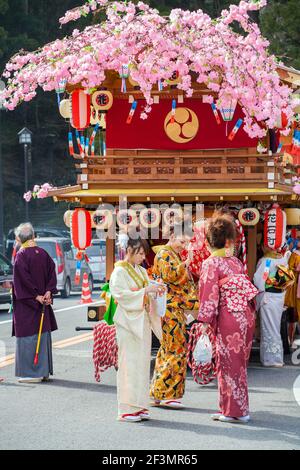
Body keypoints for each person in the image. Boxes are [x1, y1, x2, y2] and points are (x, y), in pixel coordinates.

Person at [198, 214, 257, 424]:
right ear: (227, 239)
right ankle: (234, 408)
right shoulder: (235, 262)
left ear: (208, 241)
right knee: (238, 365)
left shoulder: (211, 263)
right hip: (245, 316)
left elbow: (209, 293)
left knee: (227, 365)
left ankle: (234, 412)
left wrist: (204, 321)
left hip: (228, 316)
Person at [109, 237, 164, 423]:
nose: (142, 257)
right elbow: (120, 295)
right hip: (128, 323)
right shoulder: (119, 272)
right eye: (139, 253)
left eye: (143, 253)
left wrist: (156, 289)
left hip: (142, 322)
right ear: (129, 251)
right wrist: (145, 292)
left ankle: (140, 406)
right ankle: (126, 409)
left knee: (141, 365)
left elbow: (147, 289)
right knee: (128, 365)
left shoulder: (141, 271)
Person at [150, 227, 198, 409]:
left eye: (186, 243)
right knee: (175, 350)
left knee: (169, 350)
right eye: (181, 242)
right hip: (170, 308)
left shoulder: (171, 254)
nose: (183, 246)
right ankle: (168, 394)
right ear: (172, 236)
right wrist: (185, 264)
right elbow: (170, 276)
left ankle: (159, 392)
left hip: (173, 308)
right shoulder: (164, 254)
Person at [12, 223, 58, 383]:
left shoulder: (21, 255)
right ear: (33, 236)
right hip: (43, 302)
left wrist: (36, 296)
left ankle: (32, 373)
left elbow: (22, 281)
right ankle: (43, 371)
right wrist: (48, 291)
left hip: (28, 305)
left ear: (18, 239)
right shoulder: (43, 253)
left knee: (28, 336)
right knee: (42, 334)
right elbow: (52, 273)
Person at [254, 247, 292, 367]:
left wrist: (259, 290)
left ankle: (270, 359)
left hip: (268, 297)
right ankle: (276, 357)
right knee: (275, 328)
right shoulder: (282, 259)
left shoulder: (267, 261)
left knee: (268, 328)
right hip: (279, 297)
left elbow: (260, 279)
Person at [284, 239, 300, 346]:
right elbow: (290, 269)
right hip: (294, 287)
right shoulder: (295, 254)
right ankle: (290, 339)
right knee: (293, 314)